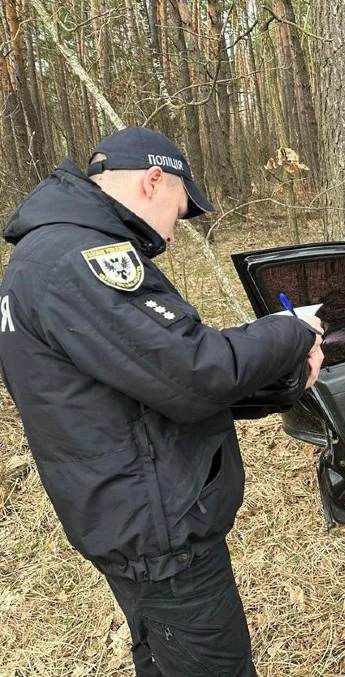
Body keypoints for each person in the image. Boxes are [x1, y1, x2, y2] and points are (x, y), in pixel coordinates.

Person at [0, 127, 324, 676]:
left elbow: (144, 384)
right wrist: (290, 331)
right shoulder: (80, 259)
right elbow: (195, 372)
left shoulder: (41, 259)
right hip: (160, 537)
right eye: (179, 210)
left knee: (163, 657)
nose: (173, 236)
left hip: (128, 518)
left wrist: (279, 381)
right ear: (154, 180)